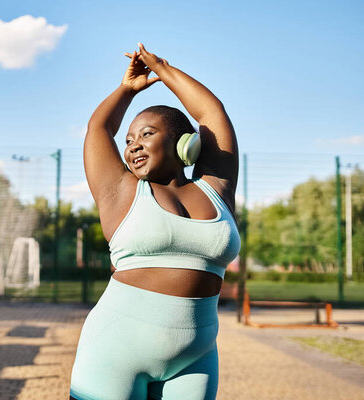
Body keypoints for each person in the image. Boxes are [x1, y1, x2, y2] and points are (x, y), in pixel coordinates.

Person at [69, 43, 241, 400]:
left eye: (147, 134)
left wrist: (161, 67)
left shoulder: (217, 188)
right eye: (129, 140)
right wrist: (126, 89)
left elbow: (211, 112)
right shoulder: (122, 192)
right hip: (115, 351)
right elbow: (99, 129)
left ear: (184, 144)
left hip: (196, 358)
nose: (133, 146)